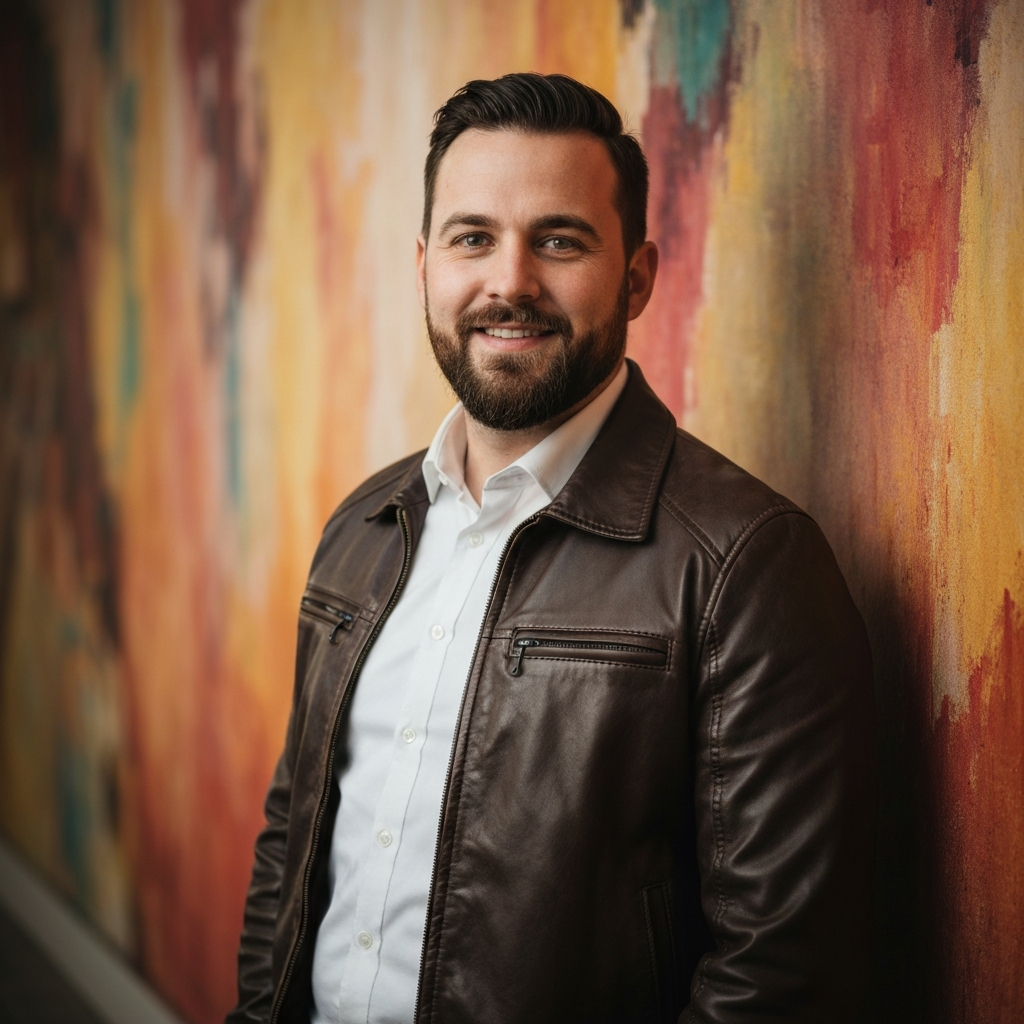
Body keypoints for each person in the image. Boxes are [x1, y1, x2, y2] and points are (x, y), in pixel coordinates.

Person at [228, 73, 875, 1024]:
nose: (510, 282)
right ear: (424, 266)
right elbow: (292, 843)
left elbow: (777, 970)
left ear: (639, 275)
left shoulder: (744, 564)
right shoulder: (364, 529)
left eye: (560, 240)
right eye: (472, 237)